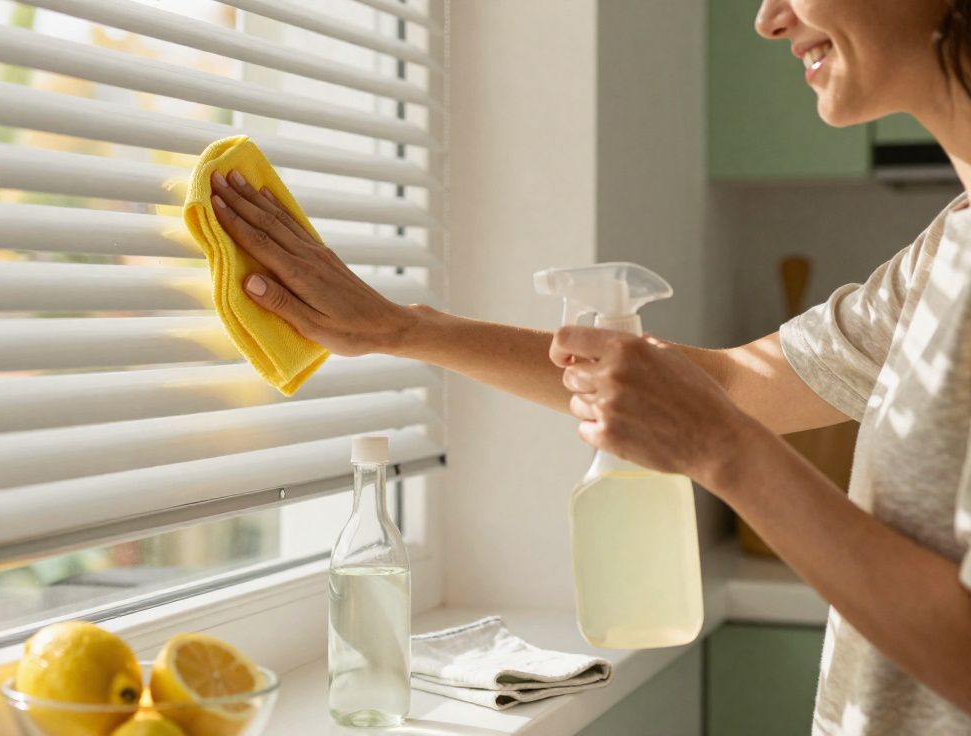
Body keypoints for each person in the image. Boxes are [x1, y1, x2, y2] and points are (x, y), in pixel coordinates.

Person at [206, 0, 971, 732]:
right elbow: (737, 386)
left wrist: (721, 449)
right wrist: (402, 330)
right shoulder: (945, 252)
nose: (769, 20)